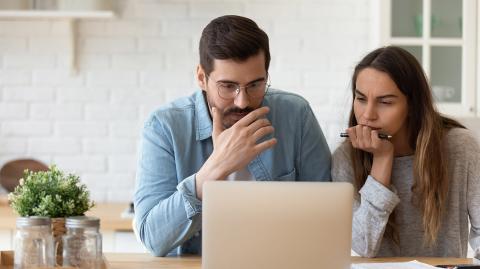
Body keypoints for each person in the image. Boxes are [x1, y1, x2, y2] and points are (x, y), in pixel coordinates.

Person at [134, 15, 331, 257]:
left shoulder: (296, 115)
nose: (243, 101)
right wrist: (216, 168)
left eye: (255, 85)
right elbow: (153, 239)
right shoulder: (164, 127)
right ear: (201, 78)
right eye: (228, 86)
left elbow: (326, 218)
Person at [332, 46, 480, 257]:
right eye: (361, 99)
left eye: (385, 102)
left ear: (412, 105)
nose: (367, 115)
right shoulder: (346, 158)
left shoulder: (460, 148)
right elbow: (363, 246)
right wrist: (382, 160)